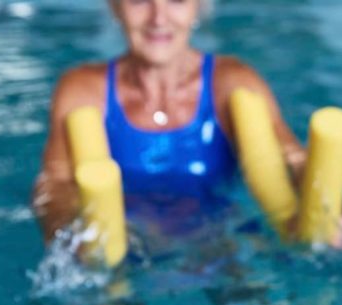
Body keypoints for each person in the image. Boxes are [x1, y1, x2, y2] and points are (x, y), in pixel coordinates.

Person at [33, 0, 322, 243]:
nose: (159, 18)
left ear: (199, 6)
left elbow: (294, 160)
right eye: (139, 0)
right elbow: (55, 183)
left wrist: (326, 213)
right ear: (114, 6)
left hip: (219, 242)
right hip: (125, 246)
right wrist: (69, 237)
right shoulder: (83, 91)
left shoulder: (233, 84)